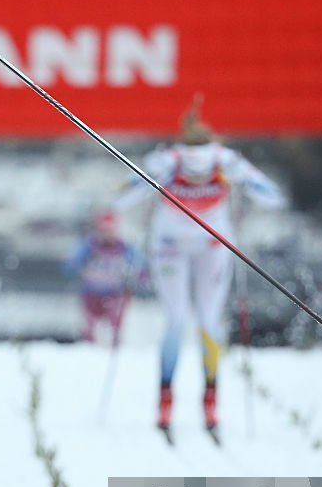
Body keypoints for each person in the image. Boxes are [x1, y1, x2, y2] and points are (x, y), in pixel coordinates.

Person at [116, 95, 286, 442]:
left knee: (186, 320)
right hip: (174, 249)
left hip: (205, 247)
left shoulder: (209, 160)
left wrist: (240, 182)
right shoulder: (176, 161)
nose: (197, 170)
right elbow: (273, 196)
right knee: (197, 321)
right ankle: (192, 401)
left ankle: (188, 401)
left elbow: (120, 198)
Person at [62, 210, 140, 347]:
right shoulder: (89, 246)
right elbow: (71, 264)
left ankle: (115, 343)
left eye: (110, 230)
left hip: (115, 292)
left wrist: (138, 275)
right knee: (89, 323)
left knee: (116, 320)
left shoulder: (123, 247)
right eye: (103, 230)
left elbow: (138, 262)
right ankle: (88, 345)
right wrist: (74, 265)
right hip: (91, 292)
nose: (107, 234)